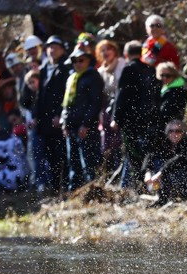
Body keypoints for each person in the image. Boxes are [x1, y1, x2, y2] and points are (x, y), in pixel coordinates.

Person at [111, 40, 159, 190]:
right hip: (148, 119)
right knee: (144, 151)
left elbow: (122, 95)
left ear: (126, 55)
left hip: (130, 120)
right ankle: (137, 184)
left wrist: (116, 119)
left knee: (133, 153)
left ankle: (137, 186)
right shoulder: (150, 69)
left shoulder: (128, 69)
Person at [61, 45, 105, 190]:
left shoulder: (93, 77)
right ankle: (75, 191)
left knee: (88, 161)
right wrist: (65, 123)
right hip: (72, 126)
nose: (78, 63)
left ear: (88, 61)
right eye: (75, 60)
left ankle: (92, 190)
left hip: (86, 126)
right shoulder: (71, 78)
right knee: (72, 160)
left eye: (81, 60)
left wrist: (86, 124)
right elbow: (66, 104)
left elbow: (95, 102)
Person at [143, 119, 187, 205]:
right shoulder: (165, 143)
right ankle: (162, 197)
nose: (174, 134)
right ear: (167, 133)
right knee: (158, 161)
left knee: (169, 168)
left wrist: (160, 173)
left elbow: (179, 159)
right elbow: (151, 155)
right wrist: (147, 172)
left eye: (178, 131)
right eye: (171, 131)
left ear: (183, 133)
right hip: (174, 180)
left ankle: (172, 197)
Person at [34, 36, 71, 193]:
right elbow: (40, 94)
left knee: (62, 152)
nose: (52, 50)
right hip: (45, 120)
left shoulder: (67, 67)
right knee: (49, 155)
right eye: (49, 47)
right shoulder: (44, 68)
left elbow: (67, 94)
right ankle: (55, 187)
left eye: (55, 47)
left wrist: (59, 114)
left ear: (62, 49)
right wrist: (36, 115)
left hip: (58, 118)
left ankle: (66, 185)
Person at [96, 39, 126, 173]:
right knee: (108, 143)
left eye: (108, 49)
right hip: (106, 109)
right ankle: (111, 172)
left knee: (121, 140)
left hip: (120, 106)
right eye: (102, 50)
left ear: (114, 50)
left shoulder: (122, 64)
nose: (105, 52)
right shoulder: (101, 71)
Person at [155, 61, 187, 134]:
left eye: (168, 75)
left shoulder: (178, 91)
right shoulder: (163, 89)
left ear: (174, 76)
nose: (164, 78)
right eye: (162, 75)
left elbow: (165, 112)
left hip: (172, 130)